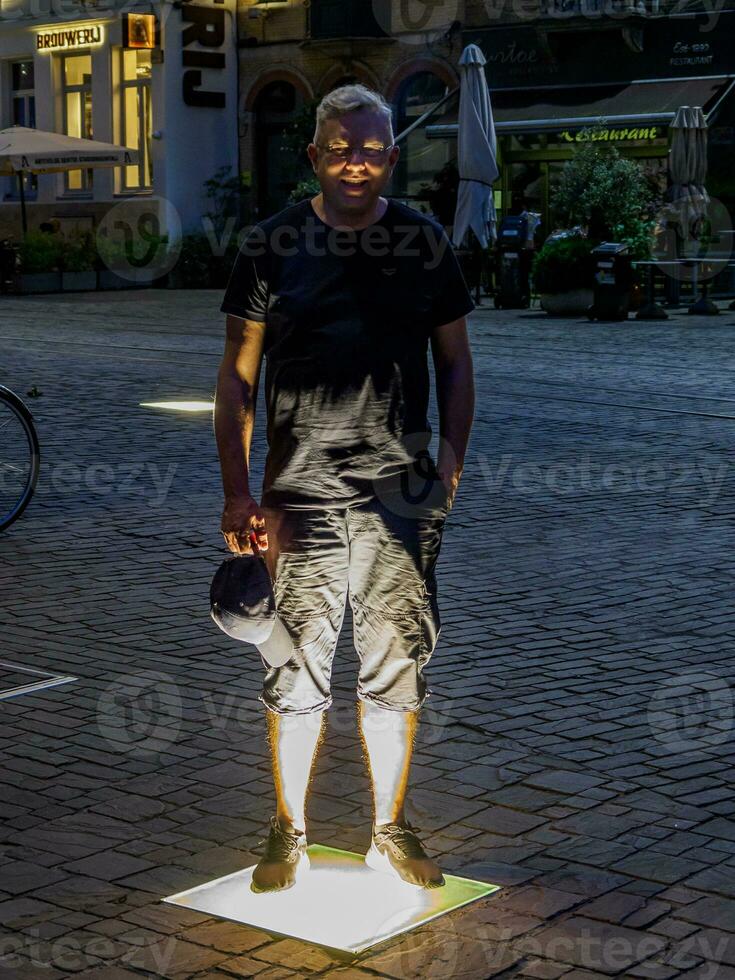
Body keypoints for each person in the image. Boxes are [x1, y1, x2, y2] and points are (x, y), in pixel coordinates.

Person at [215, 84, 475, 893]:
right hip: (295, 498)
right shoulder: (271, 244)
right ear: (314, 156)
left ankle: (388, 831)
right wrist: (235, 488)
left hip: (400, 497)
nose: (355, 161)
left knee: (396, 667)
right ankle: (287, 831)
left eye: (370, 148)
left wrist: (454, 461)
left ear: (391, 157)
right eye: (340, 147)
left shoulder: (423, 241)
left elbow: (456, 362)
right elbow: (235, 376)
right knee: (293, 673)